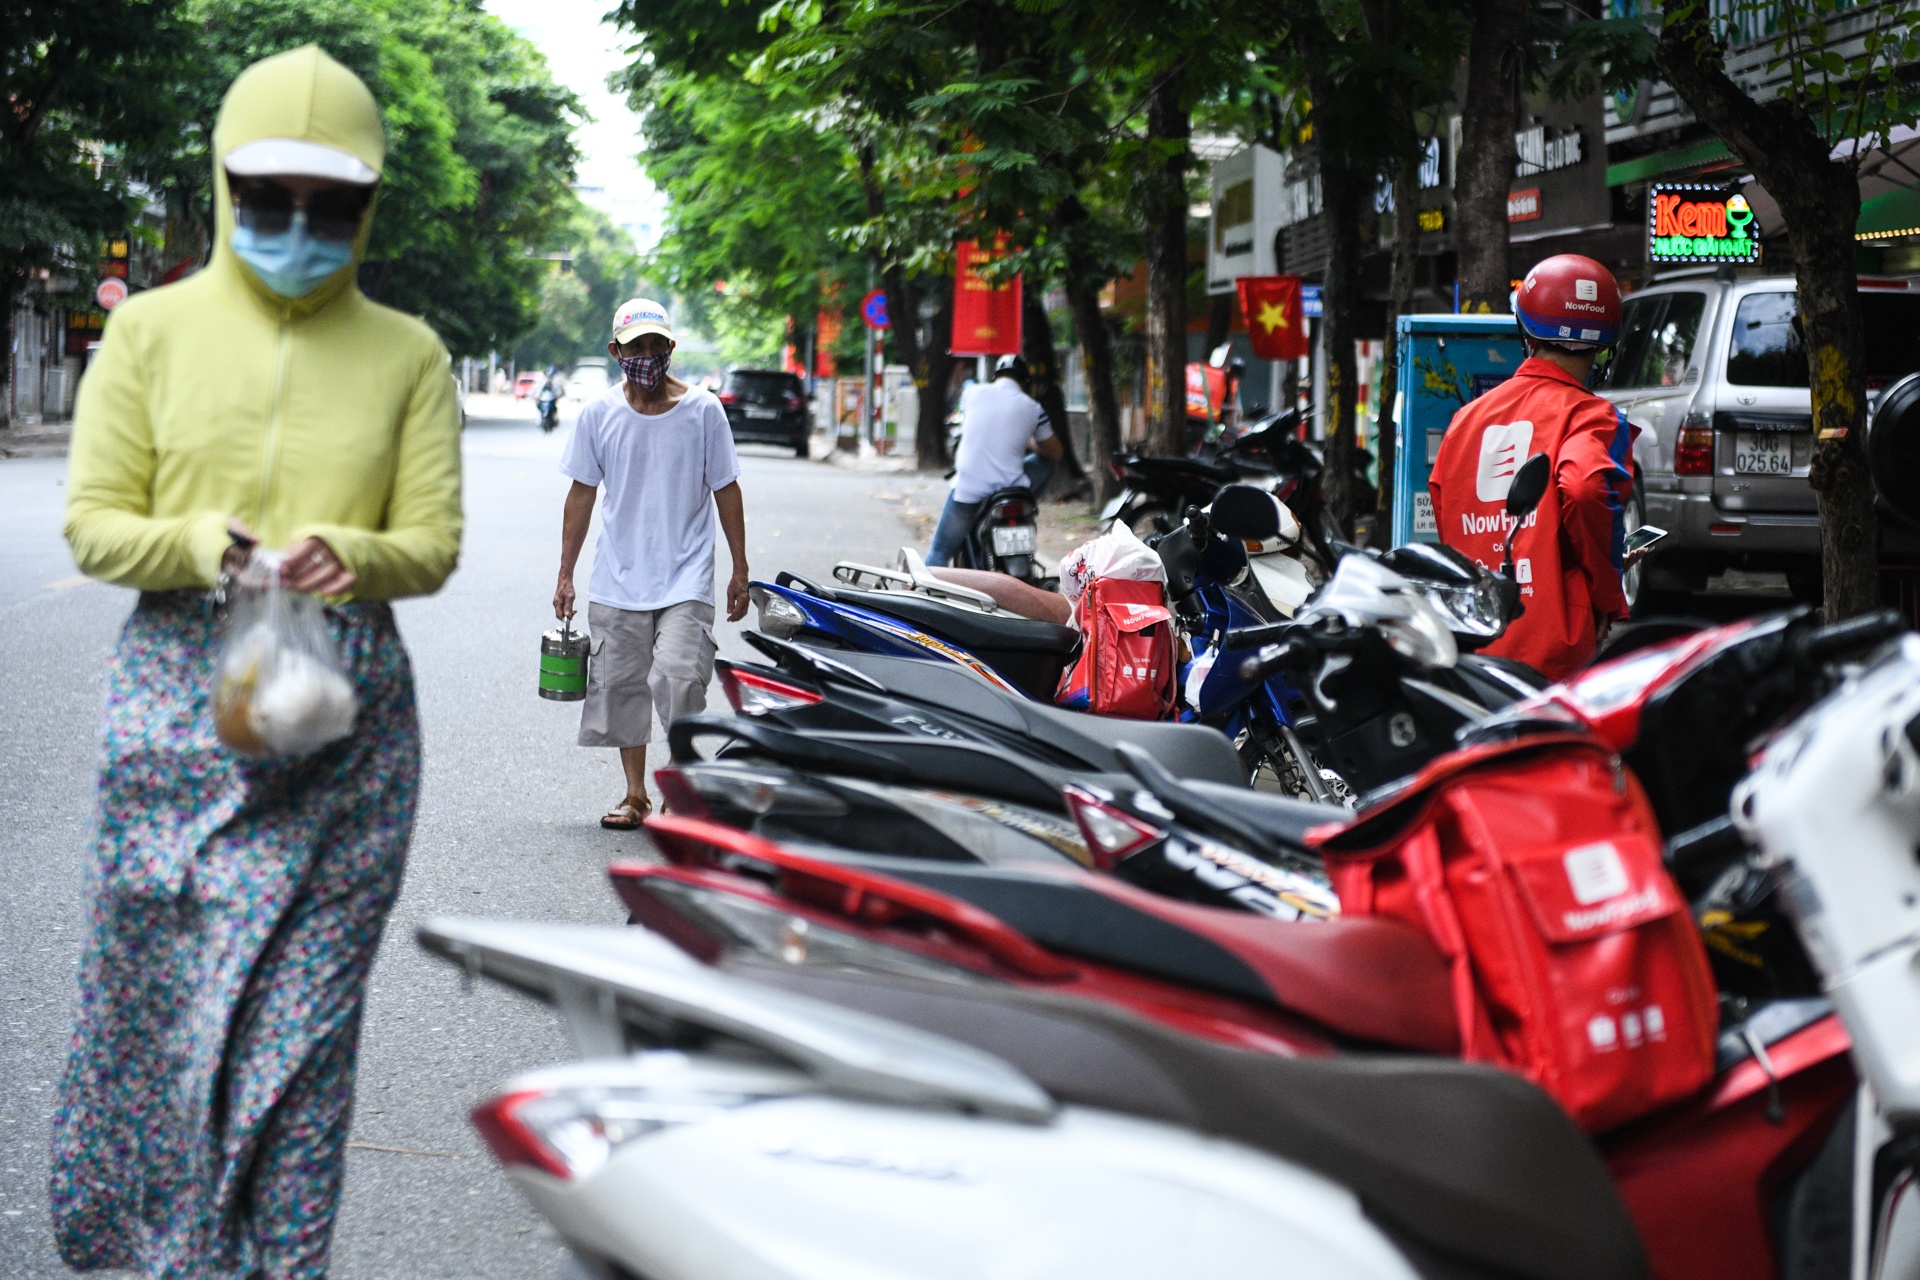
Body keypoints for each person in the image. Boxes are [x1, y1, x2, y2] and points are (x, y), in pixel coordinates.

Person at [51, 46, 462, 1278]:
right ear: (226, 186)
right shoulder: (151, 334)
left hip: (346, 734)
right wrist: (194, 543)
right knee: (162, 1017)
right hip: (175, 714)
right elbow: (92, 521)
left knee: (302, 1037)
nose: (296, 225)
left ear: (369, 204)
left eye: (330, 203)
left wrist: (356, 552)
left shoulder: (409, 354)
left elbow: (432, 544)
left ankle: (278, 1266)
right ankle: (158, 1251)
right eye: (267, 198)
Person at [554, 298, 750, 829]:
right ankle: (636, 794)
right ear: (616, 351)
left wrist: (740, 568)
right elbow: (581, 494)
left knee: (680, 677)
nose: (647, 355)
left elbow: (726, 489)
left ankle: (678, 784)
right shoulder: (599, 414)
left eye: (656, 345)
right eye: (635, 346)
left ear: (670, 348)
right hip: (618, 577)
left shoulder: (704, 410)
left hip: (686, 576)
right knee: (620, 686)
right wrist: (566, 573)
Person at [1428, 254, 1635, 683]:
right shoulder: (1593, 416)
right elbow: (1585, 488)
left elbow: (1444, 509)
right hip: (1553, 649)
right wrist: (1605, 596)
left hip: (1473, 640)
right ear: (1603, 344)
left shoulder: (1465, 420)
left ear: (1527, 331)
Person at [926, 354, 1062, 567]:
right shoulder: (1033, 408)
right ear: (1025, 381)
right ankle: (1029, 503)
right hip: (1010, 491)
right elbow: (1055, 453)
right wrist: (1029, 442)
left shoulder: (971, 393)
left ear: (994, 376)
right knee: (1046, 462)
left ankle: (923, 594)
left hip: (968, 490)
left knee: (940, 550)